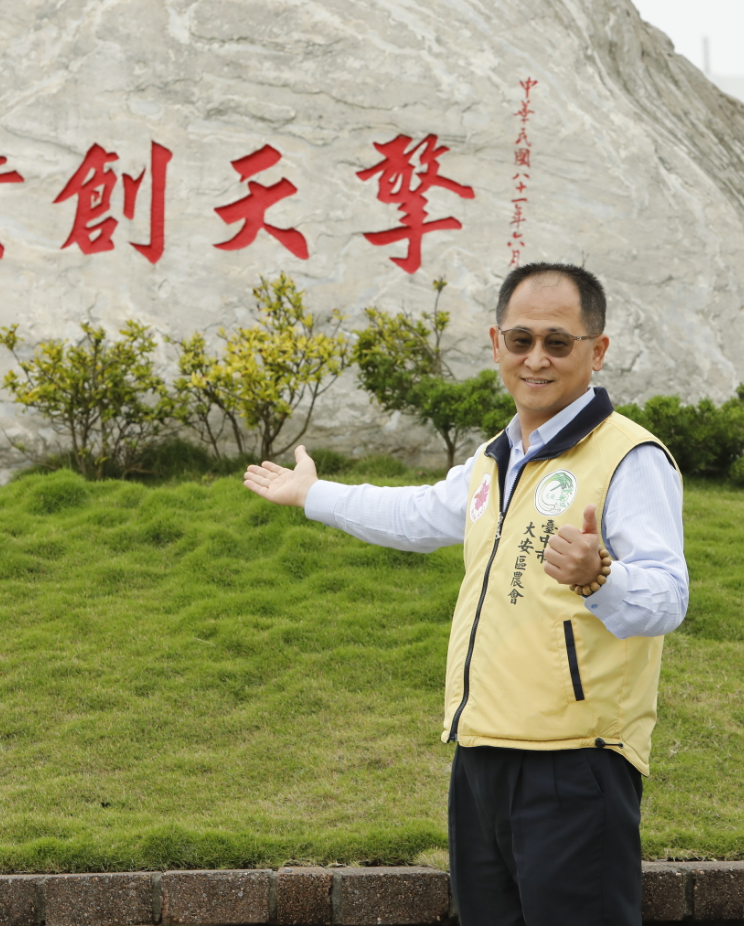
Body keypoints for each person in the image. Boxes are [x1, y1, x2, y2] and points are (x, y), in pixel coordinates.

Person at [243, 262, 688, 926]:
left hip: (575, 764)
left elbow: (668, 597)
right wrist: (312, 494)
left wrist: (600, 576)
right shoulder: (495, 459)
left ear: (597, 351)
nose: (536, 358)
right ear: (495, 344)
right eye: (520, 340)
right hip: (481, 754)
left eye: (558, 342)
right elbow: (416, 515)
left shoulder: (630, 456)